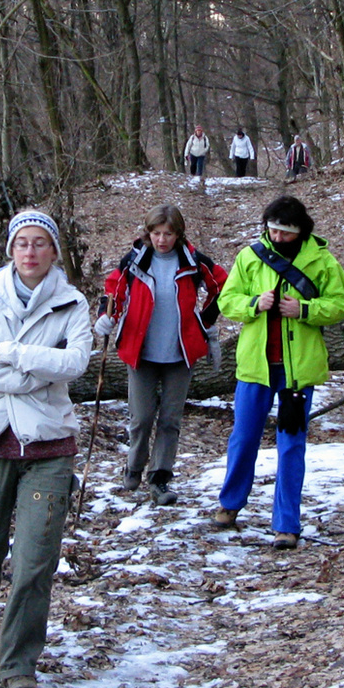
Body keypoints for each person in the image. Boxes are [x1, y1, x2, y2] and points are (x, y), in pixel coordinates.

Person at [0, 209, 92, 688]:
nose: (30, 252)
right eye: (22, 243)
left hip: (49, 443)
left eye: (40, 243)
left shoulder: (72, 304)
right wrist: (34, 376)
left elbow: (75, 362)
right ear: (11, 250)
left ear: (55, 251)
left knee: (36, 560)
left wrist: (11, 352)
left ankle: (17, 664)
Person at [213, 196, 344, 549]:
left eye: (284, 233)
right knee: (244, 438)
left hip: (297, 373)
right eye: (272, 230)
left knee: (291, 445)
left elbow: (341, 303)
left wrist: (304, 309)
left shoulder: (322, 260)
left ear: (300, 231)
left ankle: (286, 524)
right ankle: (230, 504)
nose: (276, 237)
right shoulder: (249, 256)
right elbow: (227, 300)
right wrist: (252, 304)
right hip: (254, 368)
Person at [93, 205, 227, 506]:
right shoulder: (136, 258)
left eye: (168, 234)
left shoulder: (193, 260)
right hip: (141, 351)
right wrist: (107, 315)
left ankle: (160, 477)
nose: (162, 240)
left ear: (178, 234)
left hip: (179, 352)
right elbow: (114, 287)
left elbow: (223, 285)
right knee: (140, 418)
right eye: (156, 233)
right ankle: (134, 466)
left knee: (170, 418)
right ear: (148, 233)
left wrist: (204, 321)